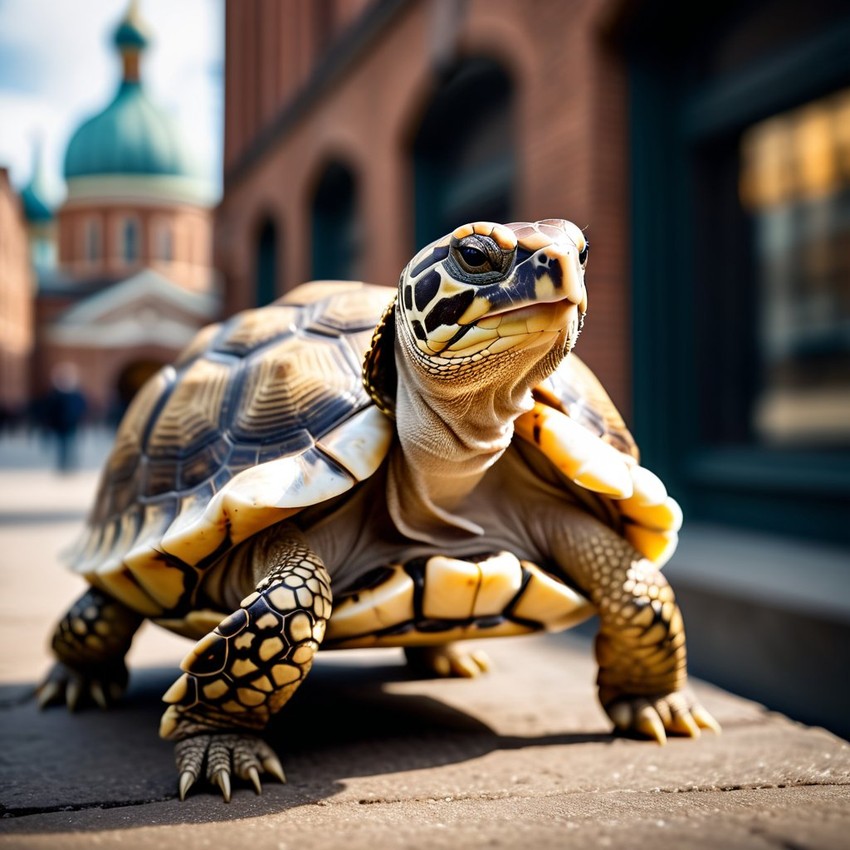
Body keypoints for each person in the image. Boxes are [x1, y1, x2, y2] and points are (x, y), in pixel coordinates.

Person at [43, 362, 88, 473]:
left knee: (70, 444)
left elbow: (81, 406)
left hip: (71, 424)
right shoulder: (55, 394)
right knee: (62, 445)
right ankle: (63, 464)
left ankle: (69, 464)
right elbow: (49, 409)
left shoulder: (74, 394)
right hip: (60, 425)